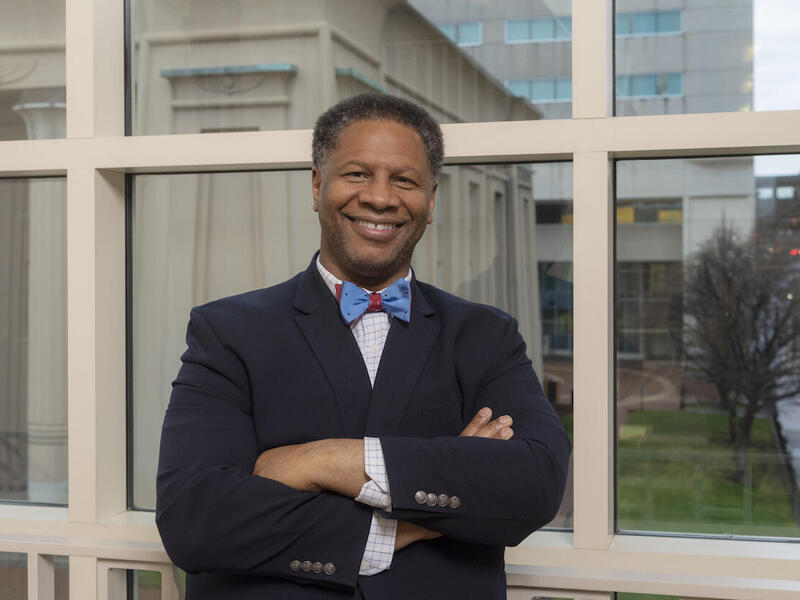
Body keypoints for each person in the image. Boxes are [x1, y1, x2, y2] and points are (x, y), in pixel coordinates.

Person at [156, 93, 570, 599]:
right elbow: (194, 517)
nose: (379, 197)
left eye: (405, 180)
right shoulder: (227, 332)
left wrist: (320, 461)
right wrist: (427, 510)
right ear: (317, 184)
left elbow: (537, 481)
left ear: (431, 199)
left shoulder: (486, 335)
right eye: (357, 174)